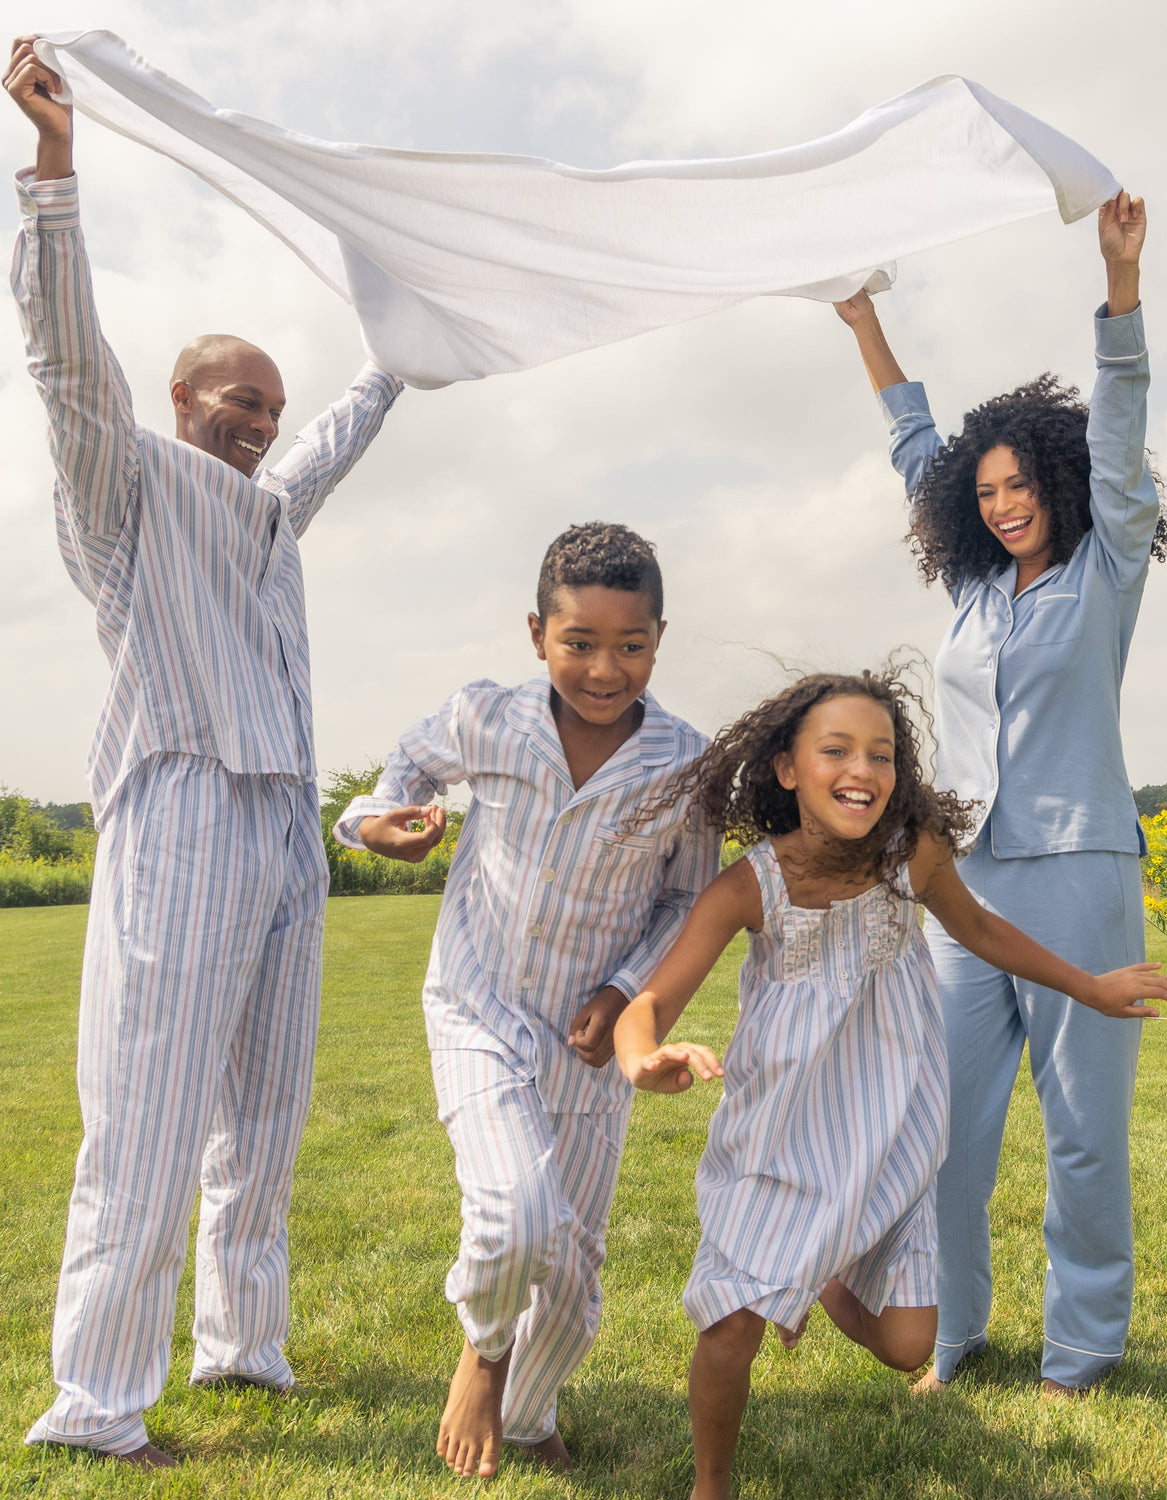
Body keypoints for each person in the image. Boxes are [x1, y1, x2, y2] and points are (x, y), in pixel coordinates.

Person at [6, 37, 404, 1467]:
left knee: (265, 1111)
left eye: (272, 410)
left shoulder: (265, 513)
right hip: (178, 814)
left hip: (286, 827)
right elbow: (62, 362)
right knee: (151, 1115)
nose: (261, 422)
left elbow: (340, 441)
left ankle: (243, 1345)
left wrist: (403, 353)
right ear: (183, 402)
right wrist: (54, 173)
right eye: (240, 401)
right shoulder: (122, 480)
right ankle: (98, 1406)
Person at [612, 671, 1167, 1500]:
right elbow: (653, 1000)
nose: (863, 768)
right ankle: (712, 1483)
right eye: (836, 749)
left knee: (911, 1345)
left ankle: (825, 1280)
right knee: (733, 1326)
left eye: (881, 753)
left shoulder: (909, 856)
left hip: (890, 1125)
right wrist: (641, 1056)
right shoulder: (752, 885)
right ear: (786, 769)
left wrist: (1089, 986)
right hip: (781, 1131)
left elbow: (982, 928)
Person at [832, 191, 1167, 1396]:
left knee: (1083, 1135)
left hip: (1080, 872)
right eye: (985, 494)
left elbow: (1125, 421)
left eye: (1020, 483)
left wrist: (1120, 288)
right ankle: (956, 1335)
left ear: (1061, 481)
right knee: (951, 1136)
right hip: (963, 887)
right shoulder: (974, 597)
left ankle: (1081, 1349)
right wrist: (862, 319)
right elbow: (914, 447)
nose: (1002, 501)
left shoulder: (1108, 563)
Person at [332, 522, 721, 1479]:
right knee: (516, 1217)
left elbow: (685, 901)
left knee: (576, 1267)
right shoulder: (488, 717)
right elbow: (405, 774)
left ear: (660, 639)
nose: (603, 668)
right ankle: (485, 1354)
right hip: (480, 1002)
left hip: (588, 1038)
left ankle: (533, 1405)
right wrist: (382, 821)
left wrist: (625, 988)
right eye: (578, 642)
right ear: (537, 633)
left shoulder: (685, 764)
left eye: (629, 646)